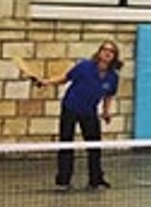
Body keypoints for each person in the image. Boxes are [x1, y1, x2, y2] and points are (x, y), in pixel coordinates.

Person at [38, 40, 123, 191]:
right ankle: (63, 181)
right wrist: (47, 82)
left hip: (89, 112)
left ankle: (95, 180)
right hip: (70, 107)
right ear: (99, 52)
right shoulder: (84, 67)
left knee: (95, 146)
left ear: (114, 56)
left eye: (112, 51)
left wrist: (106, 111)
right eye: (105, 49)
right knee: (66, 143)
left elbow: (109, 95)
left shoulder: (113, 77)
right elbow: (65, 78)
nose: (107, 53)